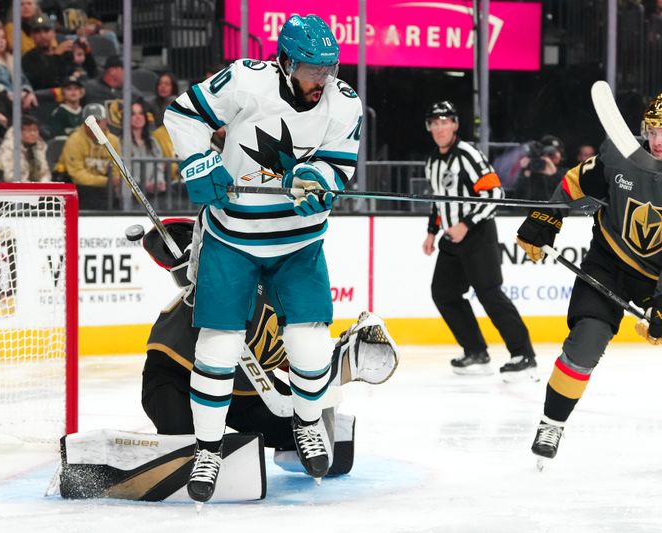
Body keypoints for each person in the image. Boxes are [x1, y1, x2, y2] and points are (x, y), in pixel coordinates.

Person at [163, 14, 363, 503]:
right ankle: (208, 450)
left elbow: (338, 165)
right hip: (233, 237)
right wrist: (200, 161)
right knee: (217, 348)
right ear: (285, 61)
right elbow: (182, 112)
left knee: (310, 348)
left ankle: (308, 420)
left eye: (330, 68)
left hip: (298, 241)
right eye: (314, 70)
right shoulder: (247, 80)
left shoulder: (345, 103)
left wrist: (320, 186)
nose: (323, 79)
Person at [140, 219, 398, 476]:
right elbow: (160, 237)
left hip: (245, 391)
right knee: (184, 450)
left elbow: (303, 369)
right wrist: (195, 256)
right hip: (174, 374)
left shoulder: (301, 315)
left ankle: (319, 432)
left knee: (300, 431)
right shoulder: (238, 267)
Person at [516, 92, 662, 464]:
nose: (658, 141)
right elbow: (574, 185)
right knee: (586, 340)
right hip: (609, 264)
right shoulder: (619, 157)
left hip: (657, 278)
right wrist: (544, 220)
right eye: (653, 130)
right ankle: (552, 423)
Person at [421, 100, 537, 378]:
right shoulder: (432, 161)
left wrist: (466, 223)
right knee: (444, 294)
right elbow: (440, 200)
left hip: (477, 235)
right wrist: (432, 231)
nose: (440, 128)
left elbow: (495, 194)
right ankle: (475, 350)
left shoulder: (468, 154)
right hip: (451, 239)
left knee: (490, 294)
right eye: (434, 123)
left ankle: (524, 355)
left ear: (455, 124)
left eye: (445, 121)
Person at [58, 102, 120, 209]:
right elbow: (77, 175)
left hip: (105, 191)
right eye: (89, 122)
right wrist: (107, 181)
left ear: (105, 122)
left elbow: (117, 171)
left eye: (97, 122)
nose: (93, 126)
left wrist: (113, 180)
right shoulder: (74, 140)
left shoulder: (113, 141)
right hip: (80, 190)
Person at [124, 99, 165, 203]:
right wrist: (143, 184)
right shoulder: (121, 142)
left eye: (141, 113)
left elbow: (159, 166)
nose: (138, 117)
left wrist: (158, 181)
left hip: (153, 194)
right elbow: (123, 170)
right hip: (130, 195)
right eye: (133, 114)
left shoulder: (153, 142)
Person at [21, 13, 74, 90]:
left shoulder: (65, 51)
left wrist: (88, 53)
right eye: (37, 32)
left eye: (46, 31)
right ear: (32, 35)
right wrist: (56, 56)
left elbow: (89, 72)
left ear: (53, 33)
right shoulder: (28, 58)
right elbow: (44, 82)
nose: (42, 36)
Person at [0, 115, 50, 182]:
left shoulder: (40, 146)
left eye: (35, 130)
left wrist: (43, 184)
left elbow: (45, 173)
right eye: (28, 130)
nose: (33, 134)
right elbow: (10, 177)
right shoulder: (9, 147)